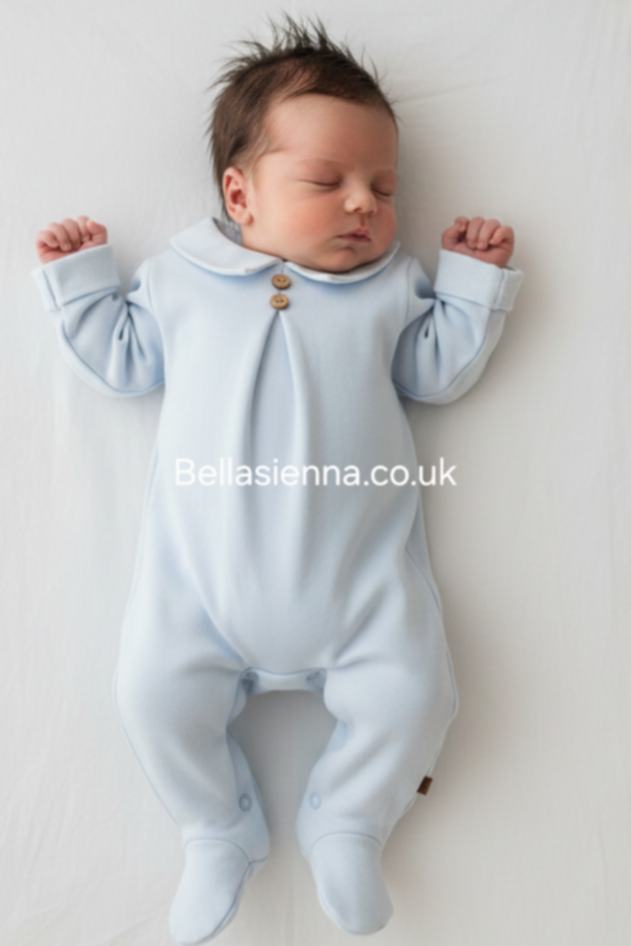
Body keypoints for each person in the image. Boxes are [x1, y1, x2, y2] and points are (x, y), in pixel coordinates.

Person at [31, 12, 524, 943]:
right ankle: (216, 824)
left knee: (416, 695)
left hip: (361, 594)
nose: (363, 205)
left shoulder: (390, 289)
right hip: (198, 596)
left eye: (383, 187)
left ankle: (350, 818)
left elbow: (435, 372)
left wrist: (467, 283)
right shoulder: (180, 279)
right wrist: (85, 281)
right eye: (326, 181)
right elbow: (125, 363)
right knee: (150, 695)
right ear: (241, 193)